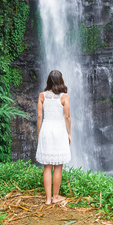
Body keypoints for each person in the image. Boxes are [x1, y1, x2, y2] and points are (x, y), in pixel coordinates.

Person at [35, 70, 72, 205]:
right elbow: (67, 117)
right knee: (58, 166)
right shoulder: (64, 97)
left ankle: (47, 199)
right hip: (59, 130)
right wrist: (69, 133)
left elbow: (39, 116)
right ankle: (55, 197)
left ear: (49, 81)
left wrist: (40, 132)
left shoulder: (42, 95)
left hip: (46, 128)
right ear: (60, 80)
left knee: (47, 166)